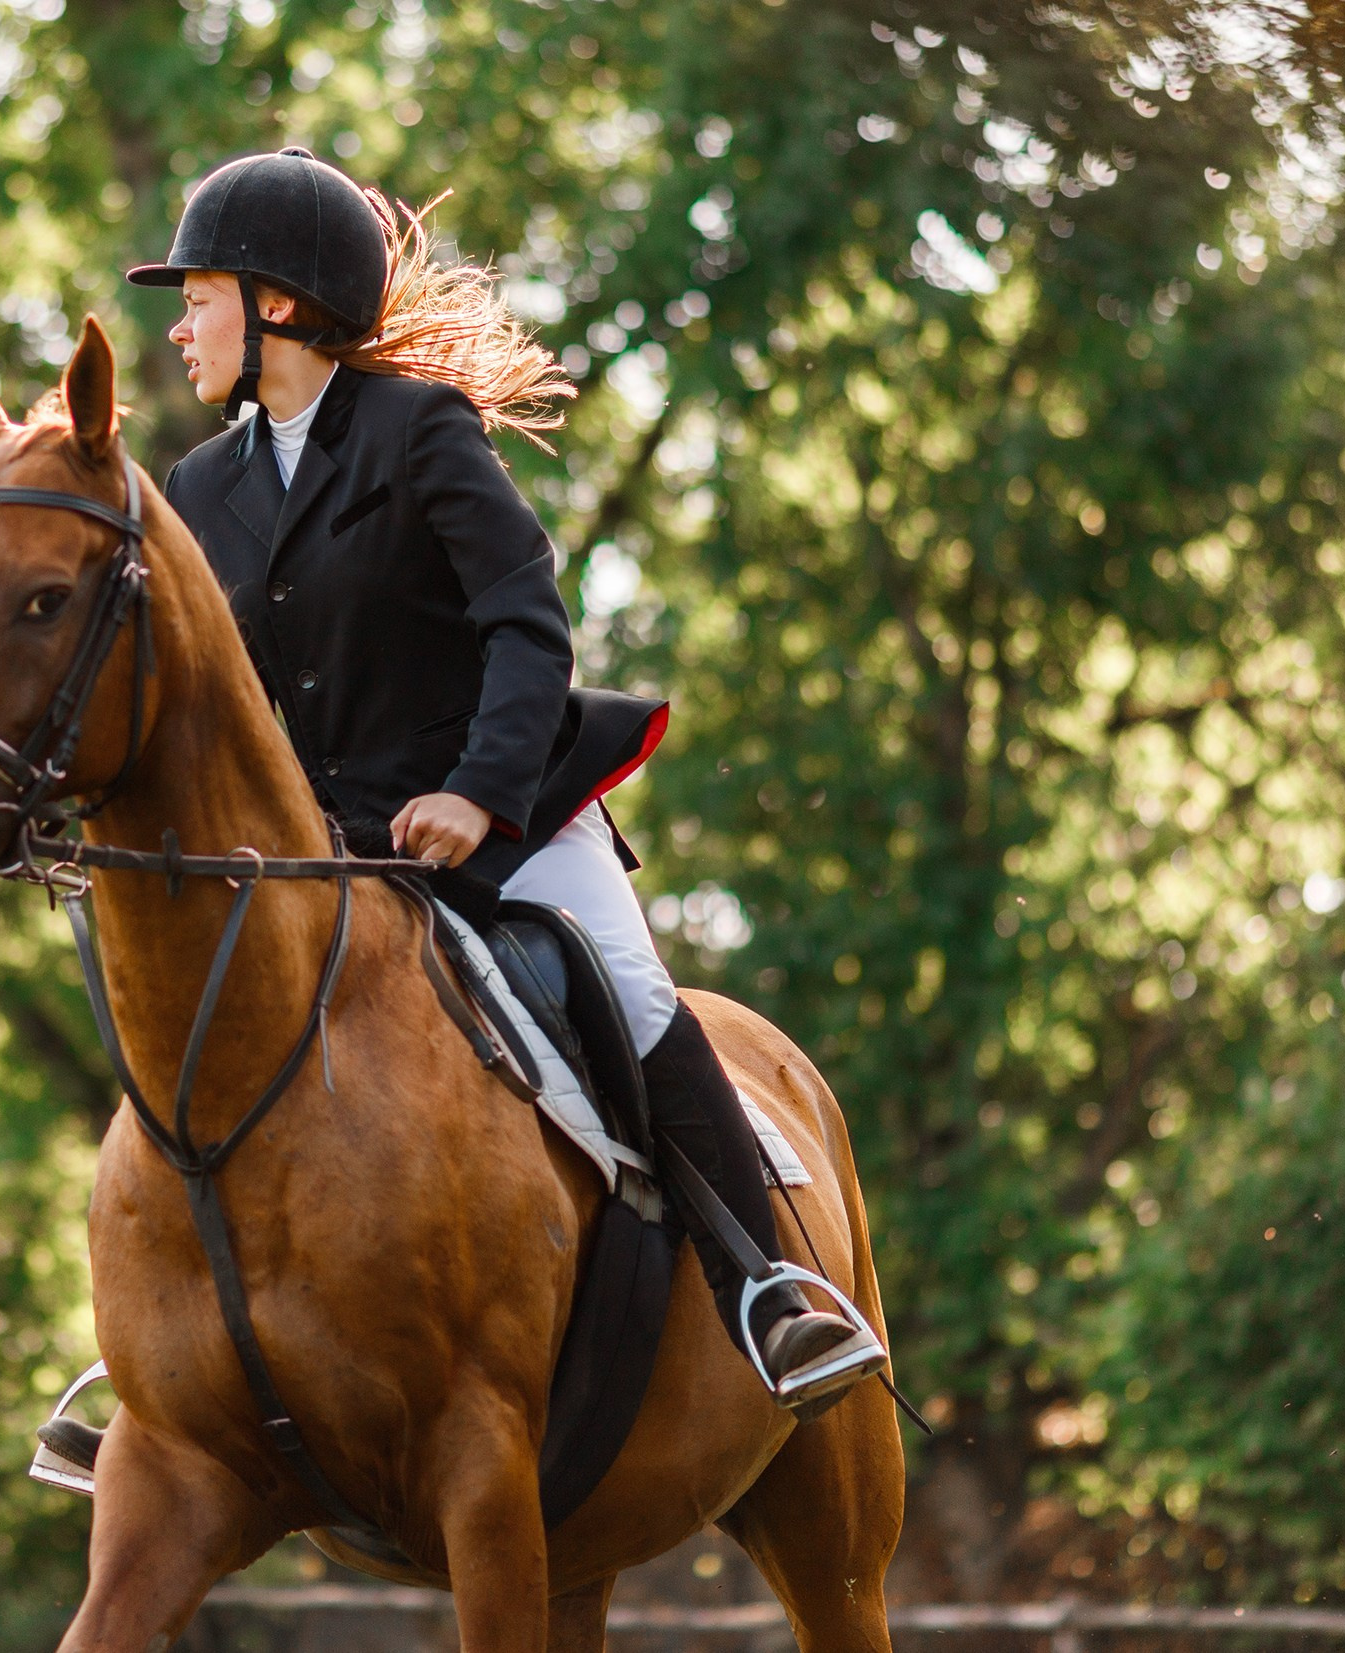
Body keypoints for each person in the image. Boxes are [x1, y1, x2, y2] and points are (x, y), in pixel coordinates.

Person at [126, 147, 887, 1412]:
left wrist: (478, 792)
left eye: (196, 294)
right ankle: (161, 1360)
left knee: (629, 986)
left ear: (275, 305)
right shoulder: (200, 489)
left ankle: (766, 1287)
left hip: (505, 812)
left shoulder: (418, 432)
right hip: (330, 851)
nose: (177, 322)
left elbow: (526, 627)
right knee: (201, 1024)